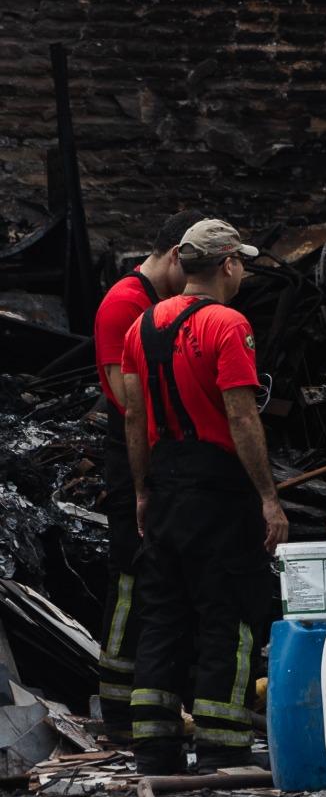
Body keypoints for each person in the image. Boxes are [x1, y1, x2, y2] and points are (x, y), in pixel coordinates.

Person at [120, 219, 287, 775]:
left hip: (166, 483)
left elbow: (136, 417)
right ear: (227, 265)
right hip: (217, 488)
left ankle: (154, 749)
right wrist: (268, 497)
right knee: (229, 613)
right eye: (240, 261)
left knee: (163, 613)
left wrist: (143, 489)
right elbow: (241, 414)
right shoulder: (227, 324)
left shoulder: (141, 326)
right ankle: (221, 746)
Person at [91, 208, 207, 737]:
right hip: (133, 453)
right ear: (178, 255)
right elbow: (126, 401)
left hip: (160, 455)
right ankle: (117, 706)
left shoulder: (157, 306)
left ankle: (155, 705)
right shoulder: (125, 304)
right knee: (132, 576)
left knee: (159, 579)